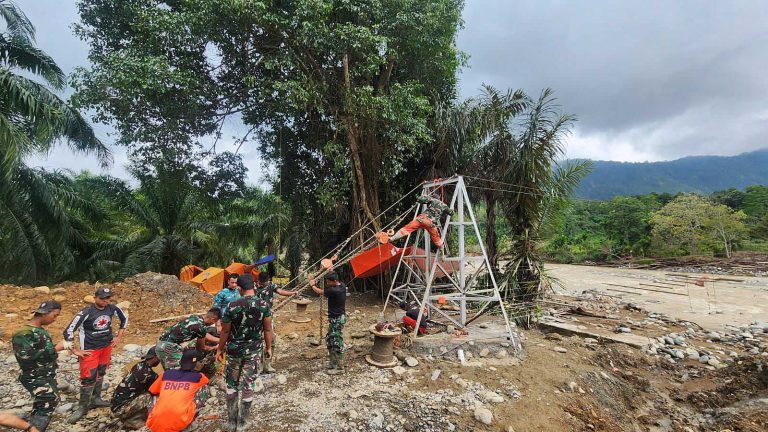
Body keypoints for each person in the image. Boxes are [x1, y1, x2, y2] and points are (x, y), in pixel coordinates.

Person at [12, 300, 91, 432]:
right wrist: (56, 349)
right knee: (48, 400)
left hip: (45, 374)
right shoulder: (23, 333)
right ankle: (34, 429)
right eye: (55, 315)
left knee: (45, 401)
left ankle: (33, 426)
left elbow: (42, 350)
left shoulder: (38, 331)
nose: (55, 319)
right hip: (34, 376)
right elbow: (25, 356)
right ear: (45, 313)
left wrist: (67, 349)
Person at [63, 286, 129, 423]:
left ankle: (96, 399)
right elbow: (68, 330)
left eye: (108, 298)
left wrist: (118, 337)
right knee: (88, 377)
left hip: (106, 346)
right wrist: (75, 350)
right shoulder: (85, 312)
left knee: (101, 372)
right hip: (89, 349)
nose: (105, 301)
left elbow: (124, 320)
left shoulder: (112, 308)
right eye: (102, 298)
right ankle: (83, 407)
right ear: (95, 298)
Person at [216, 274, 273, 431]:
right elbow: (268, 329)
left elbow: (225, 331)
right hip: (253, 351)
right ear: (253, 286)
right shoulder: (264, 305)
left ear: (239, 288)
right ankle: (242, 423)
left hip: (234, 352)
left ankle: (231, 422)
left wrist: (220, 349)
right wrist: (268, 348)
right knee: (248, 384)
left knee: (231, 384)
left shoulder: (231, 306)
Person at [146, 349, 209, 432]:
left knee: (152, 394)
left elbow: (152, 391)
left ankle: (158, 416)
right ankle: (188, 422)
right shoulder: (199, 377)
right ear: (197, 363)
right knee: (204, 387)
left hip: (155, 424)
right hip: (180, 422)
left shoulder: (166, 374)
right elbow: (207, 381)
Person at [378, 192, 454, 248]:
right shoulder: (444, 205)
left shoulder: (432, 199)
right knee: (436, 238)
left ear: (433, 197)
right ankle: (441, 248)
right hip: (430, 223)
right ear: (439, 198)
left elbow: (420, 199)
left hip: (421, 219)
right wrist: (450, 210)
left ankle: (391, 238)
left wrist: (425, 195)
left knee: (406, 229)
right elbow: (451, 213)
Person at [110, 347, 161, 430]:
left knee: (146, 394)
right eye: (159, 358)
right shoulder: (148, 375)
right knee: (153, 396)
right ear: (155, 357)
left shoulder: (138, 365)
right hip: (121, 409)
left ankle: (131, 415)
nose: (159, 361)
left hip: (116, 404)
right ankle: (134, 419)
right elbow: (156, 389)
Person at [255, 271, 295, 373]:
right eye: (261, 282)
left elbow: (281, 291)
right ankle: (257, 366)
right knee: (257, 341)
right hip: (255, 317)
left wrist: (292, 293)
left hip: (268, 316)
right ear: (258, 280)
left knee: (271, 340)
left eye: (264, 283)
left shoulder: (271, 285)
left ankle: (267, 365)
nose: (263, 284)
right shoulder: (253, 287)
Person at [155, 308, 221, 370]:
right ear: (212, 319)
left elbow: (203, 334)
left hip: (160, 345)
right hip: (170, 347)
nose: (212, 324)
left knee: (168, 374)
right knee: (179, 372)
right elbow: (200, 348)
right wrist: (214, 348)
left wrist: (219, 340)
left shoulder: (194, 317)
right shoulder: (201, 327)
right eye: (214, 322)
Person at [310, 272, 347, 375]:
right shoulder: (342, 285)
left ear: (334, 281)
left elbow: (319, 291)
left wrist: (312, 284)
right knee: (330, 340)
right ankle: (333, 362)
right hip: (336, 318)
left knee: (336, 342)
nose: (327, 283)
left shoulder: (334, 290)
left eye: (328, 282)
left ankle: (340, 367)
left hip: (337, 319)